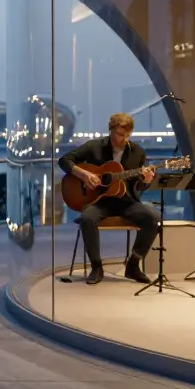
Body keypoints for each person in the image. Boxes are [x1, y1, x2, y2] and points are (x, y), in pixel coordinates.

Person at [58, 112, 159, 285]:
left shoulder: (137, 152)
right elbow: (64, 160)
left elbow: (140, 186)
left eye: (128, 135)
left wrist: (147, 181)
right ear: (111, 130)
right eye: (120, 135)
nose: (124, 139)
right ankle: (97, 267)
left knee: (154, 218)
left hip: (126, 202)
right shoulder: (94, 146)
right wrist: (83, 175)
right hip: (99, 202)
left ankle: (133, 265)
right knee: (87, 218)